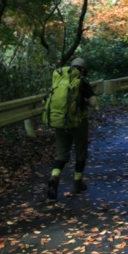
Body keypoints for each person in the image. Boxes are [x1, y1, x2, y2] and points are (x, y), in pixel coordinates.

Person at [44, 57, 98, 201]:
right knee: (81, 152)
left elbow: (46, 100)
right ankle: (77, 184)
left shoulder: (59, 80)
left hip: (60, 122)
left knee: (61, 155)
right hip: (78, 122)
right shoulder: (82, 81)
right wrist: (86, 101)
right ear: (83, 69)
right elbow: (93, 102)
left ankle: (54, 177)